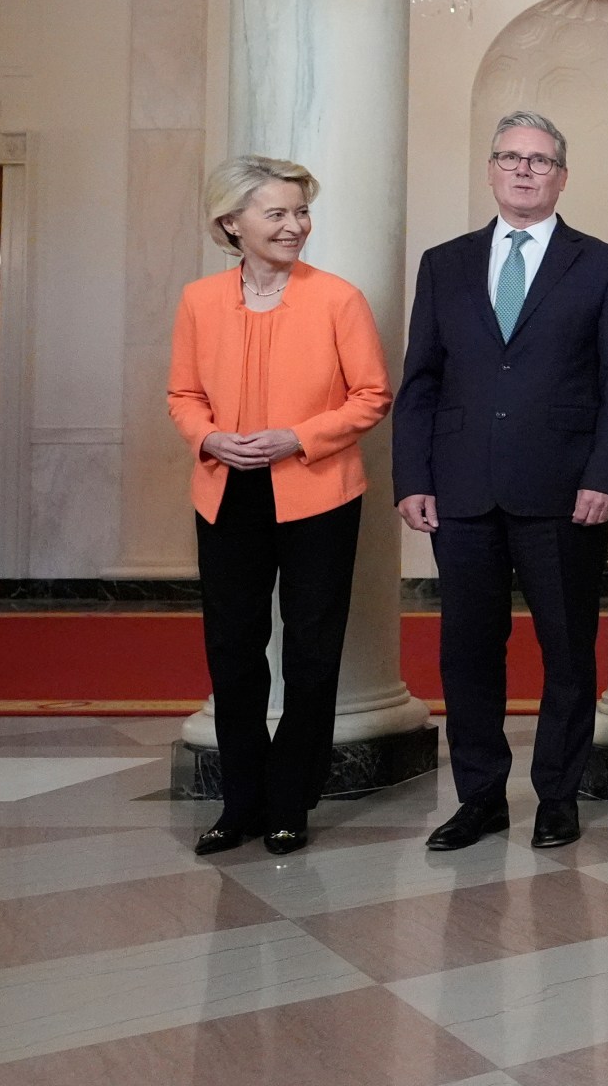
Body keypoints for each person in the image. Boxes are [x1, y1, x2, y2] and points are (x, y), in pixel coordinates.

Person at [394, 112, 608, 852]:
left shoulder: (601, 266)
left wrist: (605, 476)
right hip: (461, 487)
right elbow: (421, 381)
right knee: (467, 650)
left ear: (562, 176)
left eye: (539, 160)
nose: (524, 170)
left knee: (567, 649)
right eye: (510, 158)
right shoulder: (444, 263)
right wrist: (413, 476)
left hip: (565, 492)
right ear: (491, 170)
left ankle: (558, 796)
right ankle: (478, 798)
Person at [168, 156, 391, 857]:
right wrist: (210, 438)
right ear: (231, 222)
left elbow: (372, 395)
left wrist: (299, 436)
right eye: (278, 213)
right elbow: (182, 395)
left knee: (312, 652)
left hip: (319, 493)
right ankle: (240, 802)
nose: (296, 226)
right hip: (226, 492)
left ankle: (291, 801)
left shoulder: (338, 299)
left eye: (301, 212)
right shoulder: (199, 300)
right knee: (233, 651)